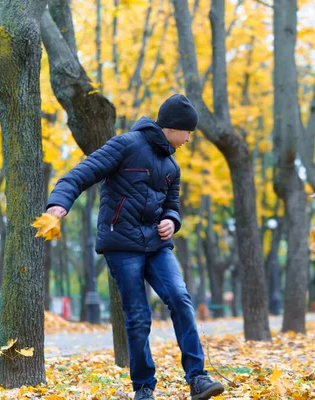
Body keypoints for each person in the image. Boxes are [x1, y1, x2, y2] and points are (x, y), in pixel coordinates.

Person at [46, 94, 225, 400]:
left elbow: (172, 204)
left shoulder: (171, 166)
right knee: (139, 315)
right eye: (188, 132)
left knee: (180, 298)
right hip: (122, 243)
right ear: (173, 127)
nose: (189, 139)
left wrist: (172, 220)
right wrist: (59, 203)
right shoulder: (125, 145)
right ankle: (143, 387)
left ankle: (198, 378)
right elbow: (80, 174)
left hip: (156, 245)